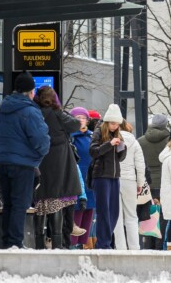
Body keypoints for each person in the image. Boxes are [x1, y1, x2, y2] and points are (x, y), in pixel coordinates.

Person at [0, 72, 50, 249]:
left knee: (8, 204)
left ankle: (7, 241)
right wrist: (36, 158)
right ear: (31, 92)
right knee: (20, 204)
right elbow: (41, 141)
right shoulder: (30, 111)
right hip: (23, 165)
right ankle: (15, 242)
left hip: (2, 163)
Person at [31, 87, 82, 249]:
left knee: (40, 203)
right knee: (56, 203)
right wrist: (59, 110)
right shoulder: (57, 114)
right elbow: (76, 124)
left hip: (39, 162)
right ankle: (57, 244)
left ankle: (39, 244)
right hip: (59, 164)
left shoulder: (35, 113)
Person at [89, 104, 131, 249]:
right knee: (103, 211)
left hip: (114, 176)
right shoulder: (99, 132)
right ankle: (103, 243)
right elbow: (93, 151)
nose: (115, 126)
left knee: (114, 212)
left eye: (117, 124)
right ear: (107, 122)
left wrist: (122, 149)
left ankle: (106, 241)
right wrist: (109, 144)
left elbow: (120, 158)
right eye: (112, 123)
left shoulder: (117, 134)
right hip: (101, 175)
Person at [110, 112, 145, 251]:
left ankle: (121, 248)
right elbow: (140, 165)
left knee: (116, 216)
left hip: (114, 179)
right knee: (131, 215)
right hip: (130, 180)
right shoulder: (135, 142)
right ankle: (135, 248)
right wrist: (140, 184)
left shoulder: (112, 139)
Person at [137, 114, 171, 249]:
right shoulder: (170, 141)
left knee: (147, 214)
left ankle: (146, 247)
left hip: (146, 183)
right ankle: (159, 247)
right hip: (164, 183)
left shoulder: (140, 141)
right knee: (162, 216)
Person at [69, 107, 95, 249]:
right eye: (77, 118)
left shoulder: (92, 137)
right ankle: (73, 245)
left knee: (88, 214)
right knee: (76, 213)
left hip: (90, 181)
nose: (81, 120)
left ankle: (82, 245)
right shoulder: (70, 137)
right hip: (76, 181)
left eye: (83, 117)